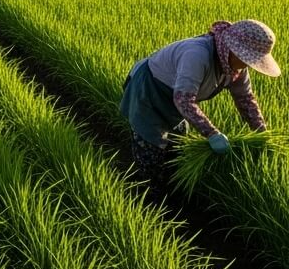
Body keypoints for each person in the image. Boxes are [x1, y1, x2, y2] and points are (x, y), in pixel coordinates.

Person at [119, 19, 280, 186]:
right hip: (150, 91)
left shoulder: (236, 69)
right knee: (151, 150)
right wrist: (212, 134)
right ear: (233, 49)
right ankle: (146, 194)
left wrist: (262, 134)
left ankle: (170, 192)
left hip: (175, 99)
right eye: (248, 58)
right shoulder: (197, 55)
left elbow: (245, 100)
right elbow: (183, 100)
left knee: (177, 148)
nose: (248, 64)